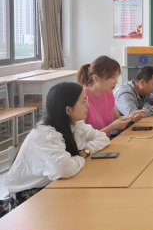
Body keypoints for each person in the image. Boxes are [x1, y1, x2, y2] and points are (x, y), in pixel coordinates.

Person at [4, 82, 110, 211]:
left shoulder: (74, 124)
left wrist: (86, 151)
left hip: (53, 184)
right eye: (83, 101)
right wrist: (80, 157)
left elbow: (102, 137)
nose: (88, 105)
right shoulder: (45, 134)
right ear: (68, 110)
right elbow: (64, 170)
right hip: (28, 196)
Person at [76, 56, 144, 135]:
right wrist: (112, 127)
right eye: (112, 77)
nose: (116, 81)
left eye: (117, 77)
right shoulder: (82, 98)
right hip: (93, 142)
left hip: (106, 141)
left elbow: (117, 118)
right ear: (96, 78)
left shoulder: (108, 93)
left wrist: (130, 118)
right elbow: (83, 137)